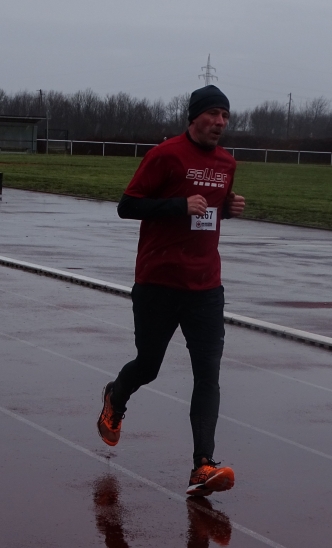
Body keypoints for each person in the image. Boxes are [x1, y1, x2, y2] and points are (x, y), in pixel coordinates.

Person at [97, 84, 246, 497]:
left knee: (208, 375)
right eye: (213, 114)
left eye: (225, 115)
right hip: (158, 282)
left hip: (205, 286)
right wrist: (178, 205)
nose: (220, 122)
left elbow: (210, 210)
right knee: (149, 365)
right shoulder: (165, 155)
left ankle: (203, 465)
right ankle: (115, 396)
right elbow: (128, 205)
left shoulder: (227, 162)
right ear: (194, 116)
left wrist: (228, 209)